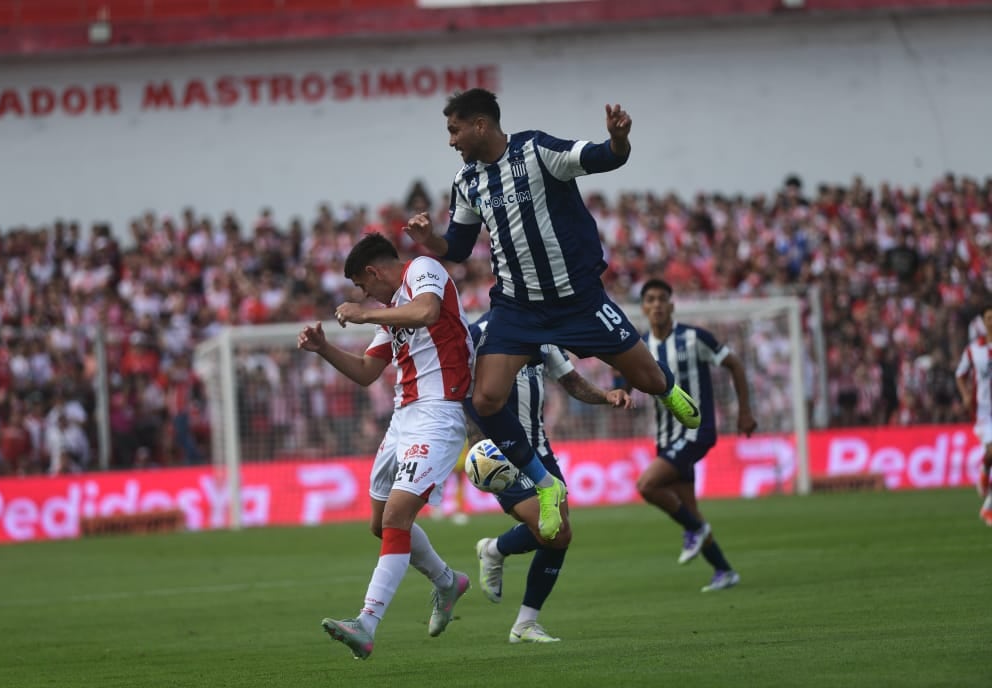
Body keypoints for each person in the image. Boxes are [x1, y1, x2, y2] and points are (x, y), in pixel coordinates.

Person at [405, 87, 701, 543]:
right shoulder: (467, 181)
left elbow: (604, 157)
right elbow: (459, 249)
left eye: (454, 129)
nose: (451, 140)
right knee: (485, 400)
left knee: (644, 375)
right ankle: (545, 484)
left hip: (579, 298)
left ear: (480, 124)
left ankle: (665, 389)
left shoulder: (537, 151)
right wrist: (432, 242)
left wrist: (619, 140)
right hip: (518, 308)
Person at [297, 232, 473, 660]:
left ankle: (367, 622)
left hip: (438, 413)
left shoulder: (422, 271)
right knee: (382, 523)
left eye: (363, 285)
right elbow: (364, 371)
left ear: (373, 272)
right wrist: (324, 349)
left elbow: (429, 311)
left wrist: (362, 314)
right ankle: (448, 581)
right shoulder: (393, 312)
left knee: (397, 516)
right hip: (402, 420)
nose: (365, 295)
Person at [467, 315, 633, 643]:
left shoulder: (543, 332)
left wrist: (605, 396)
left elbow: (570, 381)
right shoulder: (479, 334)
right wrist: (475, 437)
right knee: (556, 531)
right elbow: (460, 389)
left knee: (560, 534)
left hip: (540, 449)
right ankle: (517, 605)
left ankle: (516, 601)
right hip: (502, 455)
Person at [634, 278, 757, 592]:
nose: (658, 304)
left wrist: (744, 411)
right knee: (689, 506)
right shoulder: (641, 347)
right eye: (651, 299)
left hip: (696, 431)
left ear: (672, 305)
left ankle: (694, 529)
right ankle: (724, 570)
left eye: (663, 298)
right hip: (665, 437)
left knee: (646, 485)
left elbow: (735, 365)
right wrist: (618, 394)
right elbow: (625, 383)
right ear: (644, 308)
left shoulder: (694, 338)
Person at [955, 304, 992, 526]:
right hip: (983, 411)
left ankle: (988, 506)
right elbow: (960, 375)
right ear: (983, 322)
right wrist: (966, 394)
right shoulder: (973, 350)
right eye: (988, 317)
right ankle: (985, 468)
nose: (991, 321)